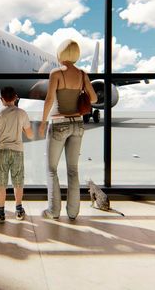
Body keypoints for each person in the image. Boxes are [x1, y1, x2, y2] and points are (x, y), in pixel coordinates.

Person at [38, 39, 97, 220]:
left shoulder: (56, 73)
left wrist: (42, 122)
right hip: (78, 124)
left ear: (60, 53)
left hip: (58, 123)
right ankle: (73, 212)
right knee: (73, 169)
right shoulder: (82, 74)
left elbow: (49, 100)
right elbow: (93, 98)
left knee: (51, 169)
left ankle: (53, 211)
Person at [0, 86, 34, 223]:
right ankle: (19, 210)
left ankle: (0, 212)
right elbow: (30, 135)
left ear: (1, 99)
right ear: (15, 97)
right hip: (18, 151)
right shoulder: (22, 113)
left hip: (2, 151)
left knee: (1, 182)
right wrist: (22, 130)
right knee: (18, 181)